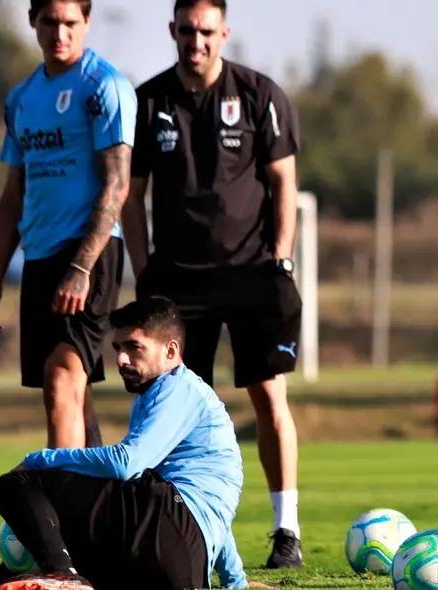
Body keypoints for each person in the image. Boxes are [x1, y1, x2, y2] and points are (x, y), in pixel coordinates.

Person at [0, 297, 253, 590]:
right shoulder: (170, 396)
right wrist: (235, 581)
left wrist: (41, 458)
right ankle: (7, 577)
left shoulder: (178, 389)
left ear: (171, 351)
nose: (121, 358)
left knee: (16, 484)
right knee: (82, 512)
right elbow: (214, 515)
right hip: (180, 561)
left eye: (134, 348)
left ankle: (59, 575)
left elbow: (127, 463)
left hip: (170, 530)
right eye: (118, 347)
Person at [121, 0, 304, 568]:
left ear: (223, 32)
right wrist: (144, 266)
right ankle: (173, 524)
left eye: (205, 31)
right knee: (170, 404)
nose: (194, 42)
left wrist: (280, 260)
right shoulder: (148, 101)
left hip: (251, 273)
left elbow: (284, 181)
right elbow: (132, 194)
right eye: (185, 31)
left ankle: (286, 531)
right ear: (171, 31)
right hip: (177, 282)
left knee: (269, 397)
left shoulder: (259, 94)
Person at [0, 0, 137, 450]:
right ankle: (101, 504)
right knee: (74, 395)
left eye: (70, 23)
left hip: (91, 253)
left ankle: (63, 511)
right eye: (50, 22)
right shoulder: (22, 99)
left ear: (87, 22)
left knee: (61, 380)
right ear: (33, 22)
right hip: (41, 256)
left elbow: (117, 185)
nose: (60, 33)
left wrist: (83, 268)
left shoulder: (104, 86)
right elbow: (14, 194)